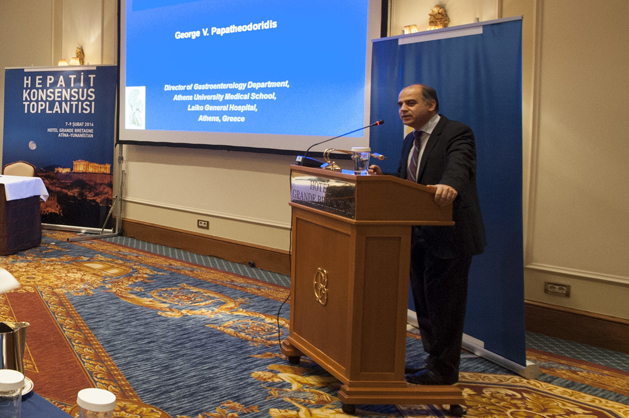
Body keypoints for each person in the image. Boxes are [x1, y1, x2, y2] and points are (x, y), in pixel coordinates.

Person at [369, 84, 486, 385]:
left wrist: (450, 185)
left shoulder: (456, 132)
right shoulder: (411, 140)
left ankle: (445, 370)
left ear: (431, 105)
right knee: (425, 303)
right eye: (400, 104)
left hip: (449, 234)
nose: (402, 110)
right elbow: (408, 181)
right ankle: (433, 360)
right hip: (417, 232)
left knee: (446, 305)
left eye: (410, 103)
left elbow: (460, 166)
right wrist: (384, 178)